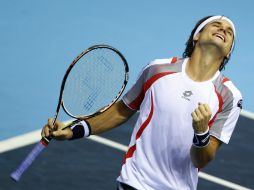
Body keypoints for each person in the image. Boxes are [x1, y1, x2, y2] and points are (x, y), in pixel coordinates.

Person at [41, 15, 243, 190]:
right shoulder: (157, 70)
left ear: (227, 52)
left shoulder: (230, 97)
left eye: (229, 32)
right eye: (216, 25)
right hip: (136, 181)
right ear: (196, 35)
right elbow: (121, 111)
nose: (222, 30)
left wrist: (201, 134)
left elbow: (202, 159)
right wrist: (72, 131)